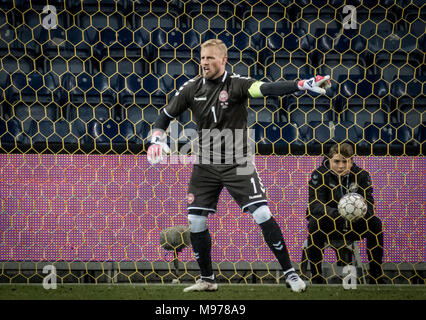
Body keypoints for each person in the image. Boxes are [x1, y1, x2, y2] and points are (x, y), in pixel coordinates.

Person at [147, 39, 331, 293]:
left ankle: (290, 274)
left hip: (238, 161)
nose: (204, 62)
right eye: (202, 58)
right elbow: (165, 116)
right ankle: (208, 280)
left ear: (223, 61)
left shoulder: (237, 85)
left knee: (262, 214)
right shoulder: (190, 88)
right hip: (206, 164)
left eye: (210, 58)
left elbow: (266, 88)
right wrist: (156, 139)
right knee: (195, 220)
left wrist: (301, 85)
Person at [305, 142, 385, 284]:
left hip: (355, 224)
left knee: (375, 224)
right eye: (336, 161)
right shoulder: (320, 175)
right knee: (314, 224)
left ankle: (375, 275)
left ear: (352, 161)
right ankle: (316, 277)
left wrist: (358, 212)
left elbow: (370, 206)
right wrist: (338, 212)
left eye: (345, 161)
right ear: (329, 160)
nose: (341, 166)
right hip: (329, 224)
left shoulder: (361, 176)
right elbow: (315, 205)